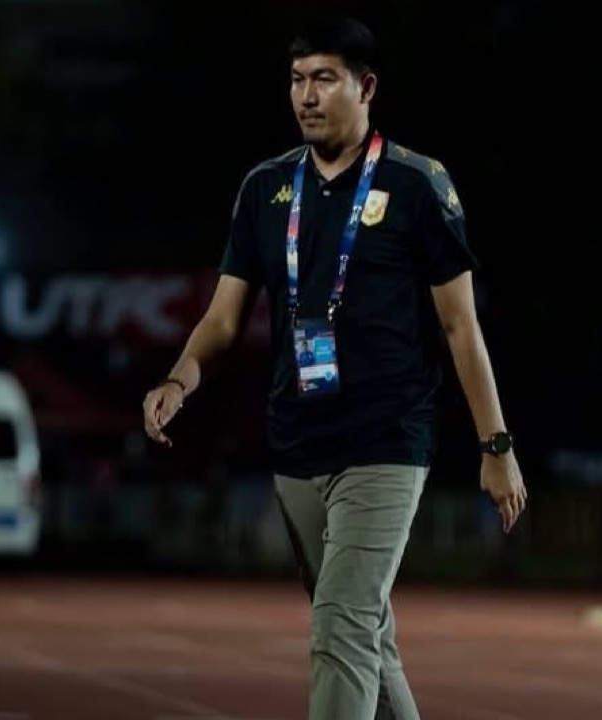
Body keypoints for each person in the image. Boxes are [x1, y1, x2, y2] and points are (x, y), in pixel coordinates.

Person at [141, 16, 526, 720]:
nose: (306, 96)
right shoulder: (265, 188)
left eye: (324, 79)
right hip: (297, 444)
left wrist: (495, 446)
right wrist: (178, 378)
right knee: (365, 634)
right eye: (297, 80)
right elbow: (222, 321)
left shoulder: (417, 183)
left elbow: (459, 325)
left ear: (366, 87)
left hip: (386, 441)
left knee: (340, 628)